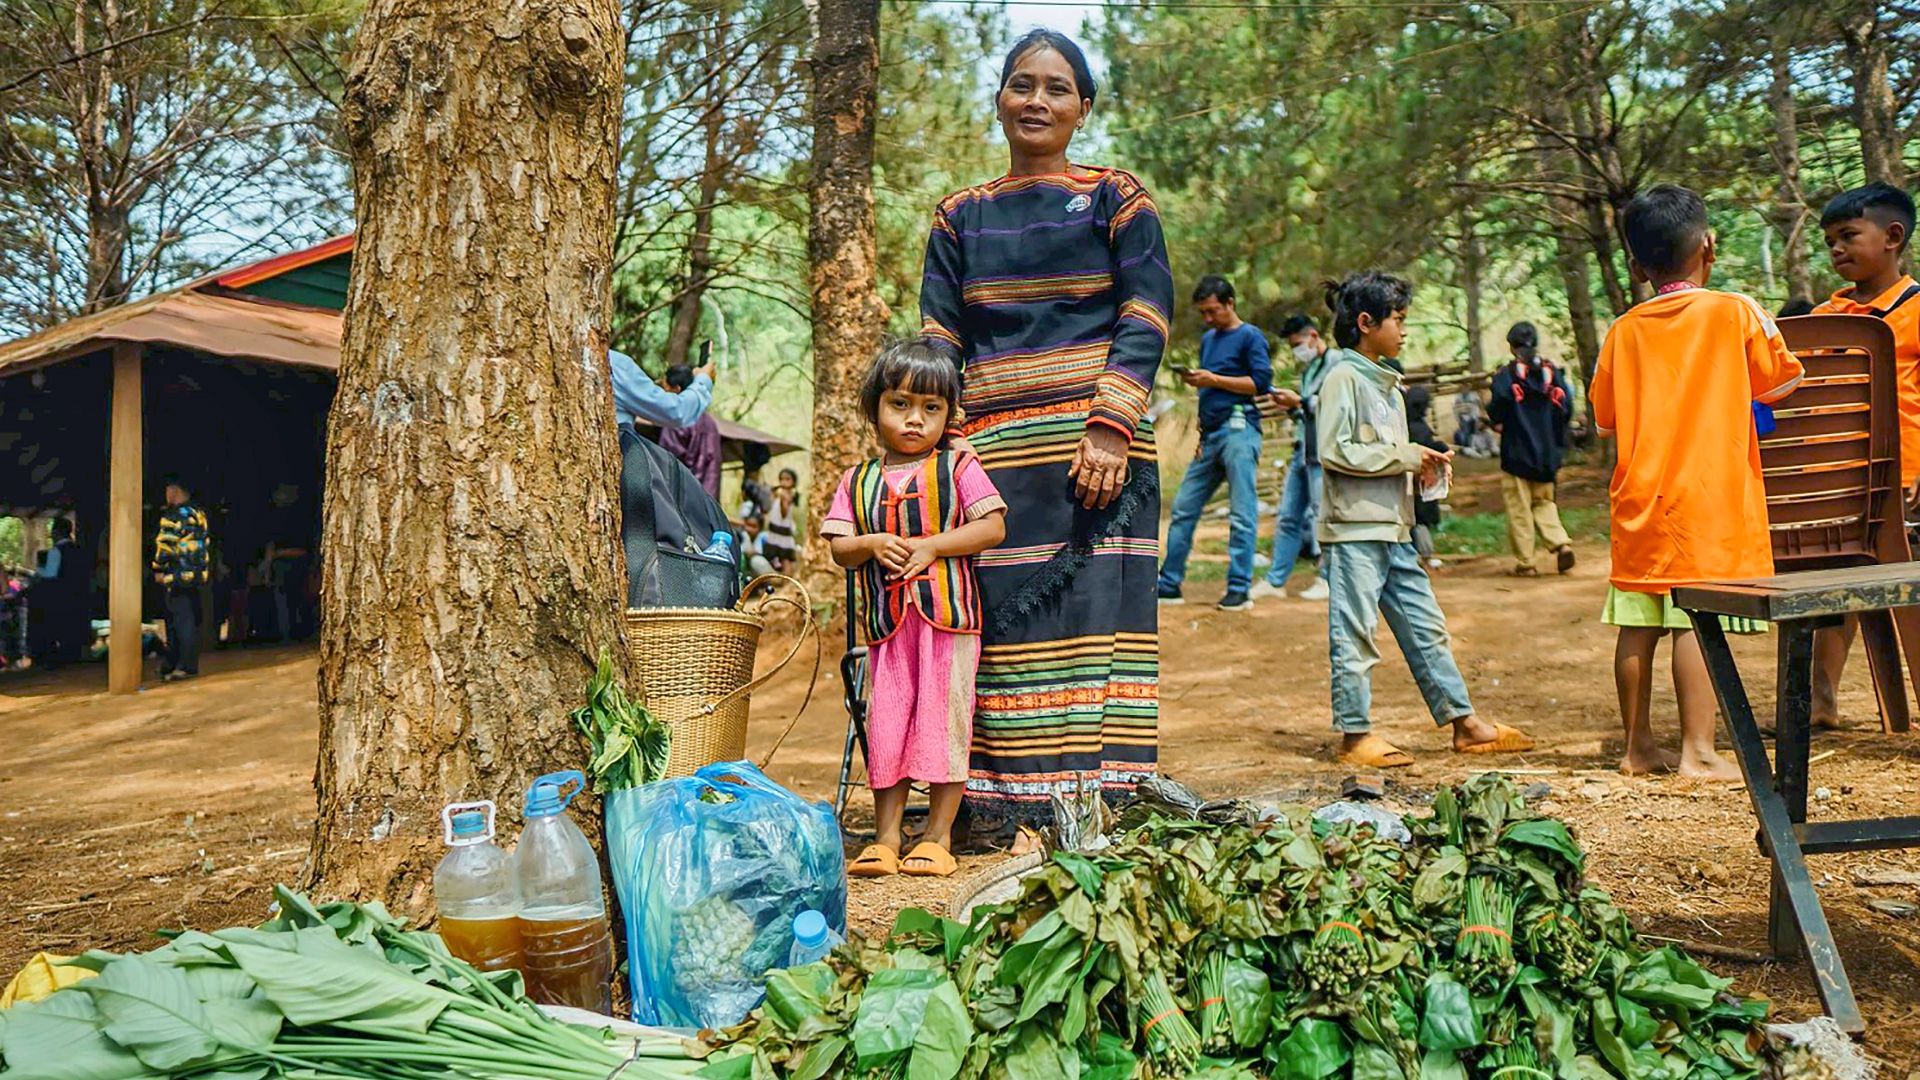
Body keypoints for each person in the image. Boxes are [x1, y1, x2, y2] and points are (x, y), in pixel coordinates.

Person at [918, 29, 1171, 844]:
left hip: (1103, 462)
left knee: (1102, 631)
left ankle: (1103, 804)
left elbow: (1145, 314)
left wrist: (1108, 427)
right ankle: (1000, 814)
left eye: (1057, 88)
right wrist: (939, 451)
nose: (1037, 101)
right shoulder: (960, 216)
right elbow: (939, 340)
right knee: (1000, 637)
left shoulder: (1115, 198)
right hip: (993, 471)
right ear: (998, 99)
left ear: (1083, 109)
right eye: (1021, 85)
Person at [1591, 184, 1803, 779]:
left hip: (1640, 498)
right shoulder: (1735, 312)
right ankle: (1699, 751)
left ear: (1636, 265)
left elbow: (1604, 418)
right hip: (1709, 499)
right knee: (1694, 618)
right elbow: (1781, 383)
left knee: (1636, 620)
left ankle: (1637, 749)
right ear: (1708, 246)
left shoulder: (1623, 330)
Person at [1316, 271, 1533, 768]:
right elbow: (1334, 450)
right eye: (1398, 319)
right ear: (1366, 323)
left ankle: (1465, 722)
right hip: (1355, 530)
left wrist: (1423, 462)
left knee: (1425, 624)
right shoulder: (1343, 379)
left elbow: (1388, 452)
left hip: (1395, 528)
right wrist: (1406, 456)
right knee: (1354, 632)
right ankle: (1354, 735)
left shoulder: (1386, 384)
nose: (1404, 330)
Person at [823, 340, 1007, 879]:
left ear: (949, 415)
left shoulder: (957, 467)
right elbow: (839, 546)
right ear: (874, 407)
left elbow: (993, 525)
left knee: (943, 721)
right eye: (900, 404)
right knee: (888, 724)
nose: (914, 420)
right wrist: (873, 543)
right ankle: (885, 838)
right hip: (889, 630)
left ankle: (938, 836)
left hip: (948, 624)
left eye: (932, 409)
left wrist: (932, 545)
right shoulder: (856, 481)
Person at [1806, 182, 1919, 730]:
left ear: (1893, 237)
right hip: (1836, 483)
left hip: (1909, 482)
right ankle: (1820, 700)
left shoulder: (1916, 311)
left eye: (1848, 236)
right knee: (1830, 594)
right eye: (1830, 241)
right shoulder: (1827, 315)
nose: (1836, 250)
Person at [1156, 275, 1272, 610]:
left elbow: (1261, 383)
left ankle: (1238, 587)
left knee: (1242, 512)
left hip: (1240, 430)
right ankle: (1170, 583)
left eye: (1212, 311)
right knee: (1183, 508)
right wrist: (1202, 433)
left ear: (1230, 304)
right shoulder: (1209, 340)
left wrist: (1215, 379)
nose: (1208, 318)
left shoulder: (1250, 336)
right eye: (1203, 313)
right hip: (1211, 435)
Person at [1251, 315, 1332, 602]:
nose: (1297, 350)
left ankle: (1329, 578)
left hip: (1323, 450)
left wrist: (1299, 401)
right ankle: (1275, 581)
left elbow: (1332, 405)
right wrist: (1291, 406)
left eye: (1298, 344)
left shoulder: (1337, 364)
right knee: (1288, 517)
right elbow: (1306, 411)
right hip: (1303, 449)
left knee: (1323, 515)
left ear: (1312, 336)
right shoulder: (1309, 371)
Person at [1486, 322, 1576, 577]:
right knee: (1544, 503)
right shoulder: (1553, 373)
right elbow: (1566, 409)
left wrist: (1497, 421)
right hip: (1548, 454)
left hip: (1517, 453)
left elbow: (1497, 408)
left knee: (1519, 508)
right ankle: (1560, 543)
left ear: (1512, 346)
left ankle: (1526, 563)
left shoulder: (1506, 375)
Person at [152, 477, 211, 683]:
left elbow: (165, 546)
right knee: (189, 620)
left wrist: (158, 568)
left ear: (174, 491)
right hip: (196, 575)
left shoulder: (172, 516)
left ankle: (184, 665)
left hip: (176, 575)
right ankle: (177, 664)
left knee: (178, 622)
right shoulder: (199, 514)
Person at [26, 517, 90, 667]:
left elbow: (48, 577)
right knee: (73, 635)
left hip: (59, 600)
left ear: (56, 532)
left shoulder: (56, 552)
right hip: (79, 598)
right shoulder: (81, 552)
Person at [655, 364, 723, 497]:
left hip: (682, 501)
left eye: (665, 388)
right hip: (709, 502)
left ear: (677, 390)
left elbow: (666, 464)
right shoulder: (711, 423)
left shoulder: (676, 422)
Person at [608, 348, 714, 428]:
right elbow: (677, 412)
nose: (663, 390)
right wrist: (704, 379)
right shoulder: (616, 365)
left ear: (677, 389)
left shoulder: (613, 365)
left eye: (665, 386)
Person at [1404, 383, 1446, 569]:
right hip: (1419, 481)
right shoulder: (1420, 429)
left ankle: (1412, 554)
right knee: (1421, 520)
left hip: (1405, 481)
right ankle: (1426, 556)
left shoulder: (1403, 425)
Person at [763, 467, 800, 570]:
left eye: (787, 479)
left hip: (782, 533)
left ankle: (788, 580)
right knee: (774, 558)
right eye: (782, 479)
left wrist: (783, 500)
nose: (783, 482)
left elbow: (784, 514)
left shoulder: (788, 496)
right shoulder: (778, 495)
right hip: (774, 531)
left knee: (785, 558)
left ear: (793, 482)